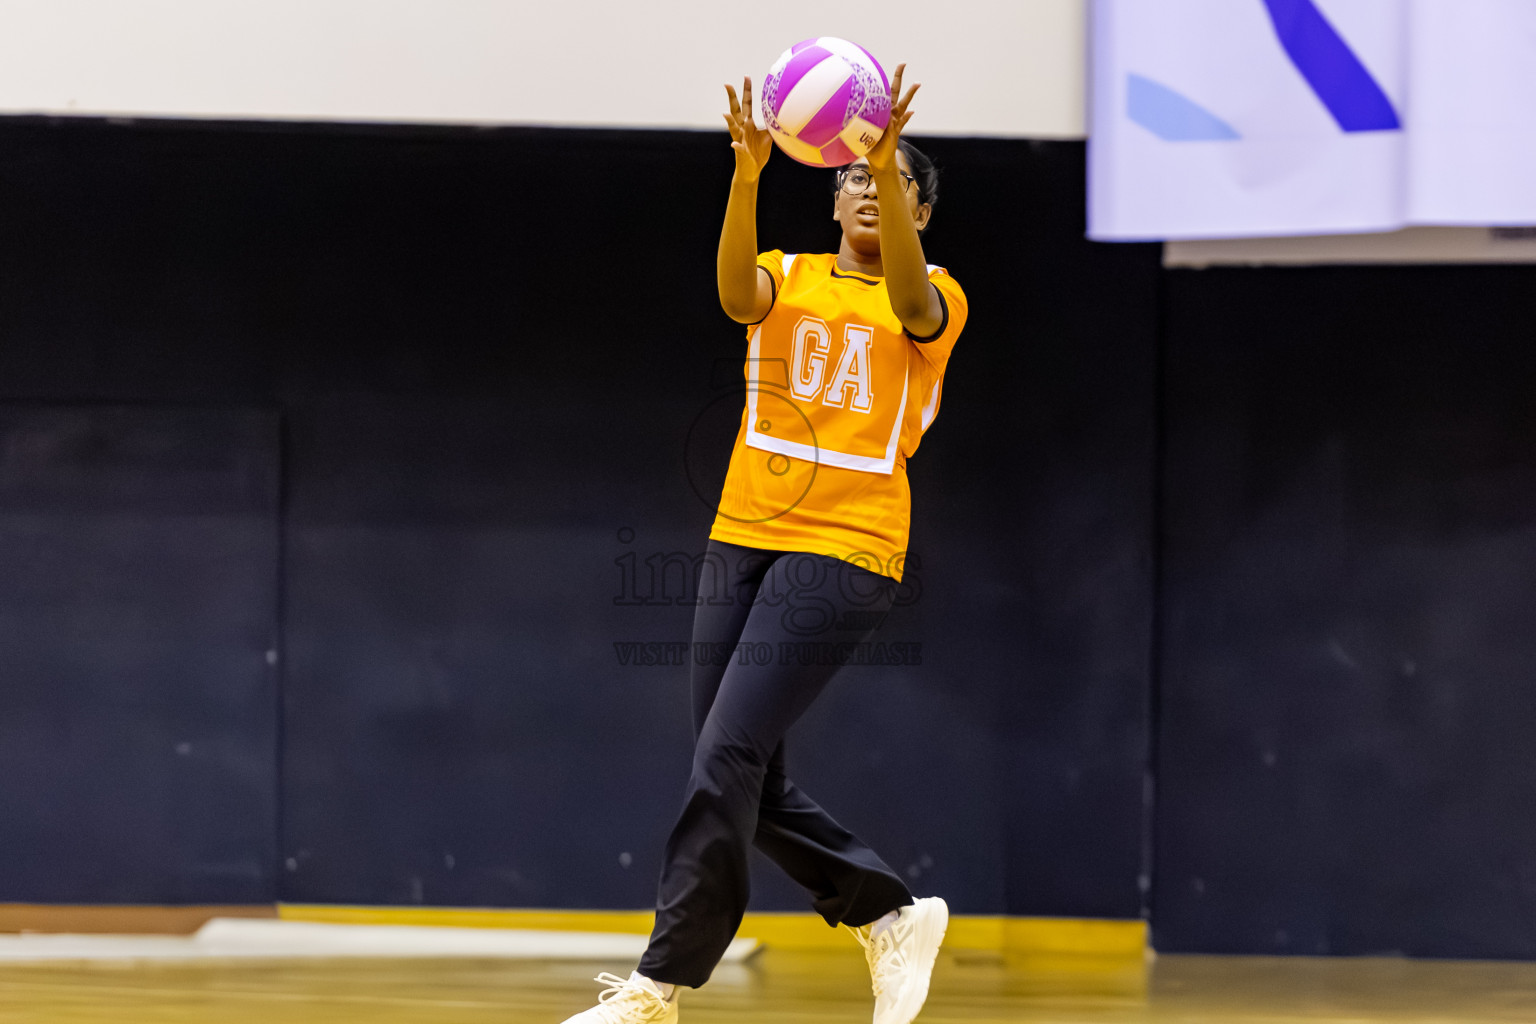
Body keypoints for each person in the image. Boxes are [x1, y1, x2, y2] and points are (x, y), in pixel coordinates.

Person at [559, 64, 967, 1024]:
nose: (871, 187)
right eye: (857, 177)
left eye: (895, 179)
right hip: (744, 531)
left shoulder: (934, 295)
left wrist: (876, 143)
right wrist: (745, 176)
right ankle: (889, 914)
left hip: (850, 544)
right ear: (831, 196)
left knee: (730, 752)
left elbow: (910, 301)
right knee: (736, 762)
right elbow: (735, 293)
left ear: (922, 210)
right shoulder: (787, 274)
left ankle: (661, 983)